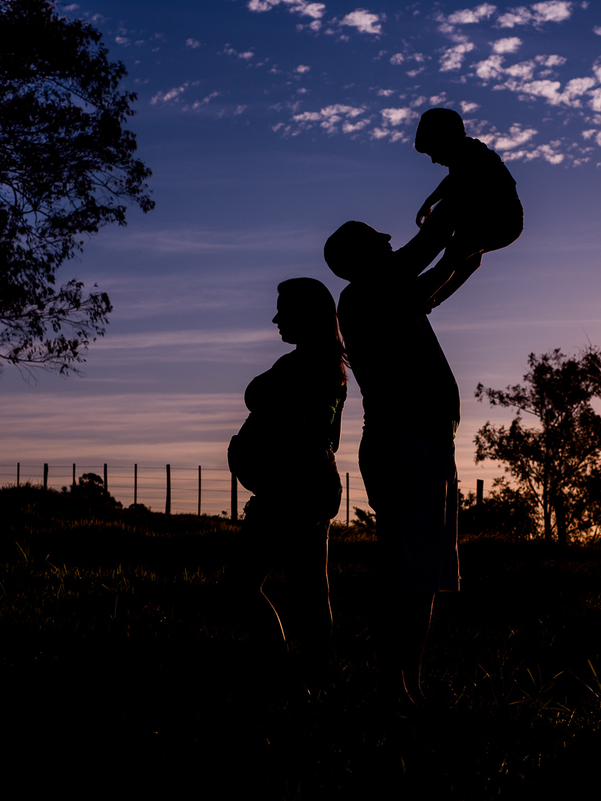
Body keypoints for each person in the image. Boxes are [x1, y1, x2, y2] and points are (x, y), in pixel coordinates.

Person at [323, 220, 461, 705]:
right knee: (408, 574)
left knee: (416, 574)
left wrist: (464, 254)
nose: (388, 240)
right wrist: (456, 228)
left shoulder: (382, 295)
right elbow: (423, 256)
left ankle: (405, 686)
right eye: (376, 239)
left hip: (417, 444)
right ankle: (394, 688)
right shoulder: (365, 295)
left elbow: (427, 286)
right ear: (362, 256)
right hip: (407, 445)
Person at [226, 277, 347, 696]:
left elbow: (310, 433)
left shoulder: (314, 369)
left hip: (292, 493)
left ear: (307, 316)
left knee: (243, 585)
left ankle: (286, 676)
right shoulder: (316, 364)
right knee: (310, 589)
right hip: (301, 489)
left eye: (284, 310)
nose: (276, 318)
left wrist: (266, 466)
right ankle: (312, 676)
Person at [412, 107, 524, 311]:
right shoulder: (468, 155)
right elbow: (454, 180)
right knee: (467, 261)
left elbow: (454, 182)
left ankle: (424, 294)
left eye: (433, 152)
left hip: (500, 218)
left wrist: (430, 201)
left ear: (445, 138)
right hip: (493, 218)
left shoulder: (471, 152)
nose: (434, 160)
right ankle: (432, 298)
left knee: (456, 254)